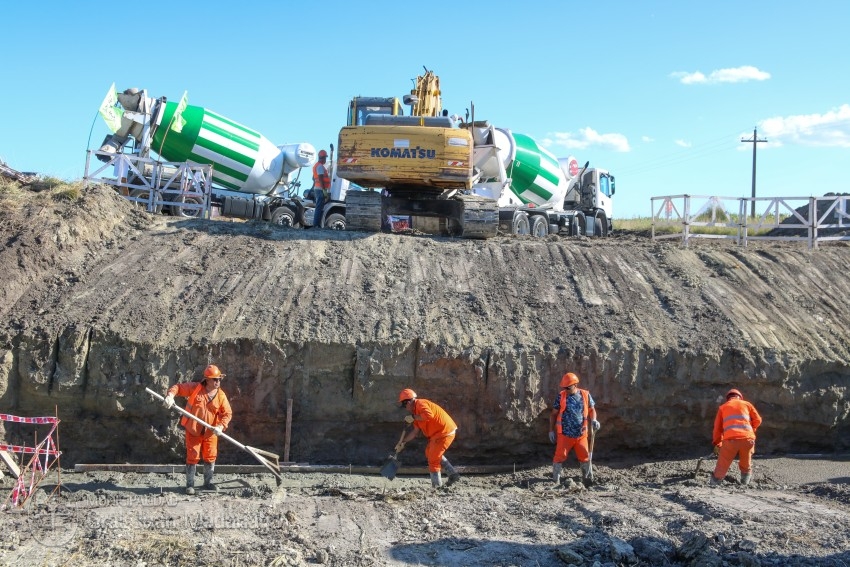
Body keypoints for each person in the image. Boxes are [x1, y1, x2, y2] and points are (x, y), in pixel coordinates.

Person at [163, 364, 233, 494]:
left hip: (210, 432)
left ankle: (208, 483)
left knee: (210, 456)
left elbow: (227, 414)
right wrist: (170, 396)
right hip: (193, 430)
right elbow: (178, 388)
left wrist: (221, 426)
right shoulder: (196, 388)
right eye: (215, 379)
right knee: (192, 457)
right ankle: (190, 485)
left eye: (219, 379)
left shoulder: (221, 396)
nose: (218, 382)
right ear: (207, 379)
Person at [395, 388, 460, 488]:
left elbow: (429, 415)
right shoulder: (415, 413)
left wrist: (413, 417)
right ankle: (453, 474)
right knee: (429, 452)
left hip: (444, 433)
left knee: (433, 459)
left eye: (404, 406)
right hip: (438, 434)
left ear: (408, 402)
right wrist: (403, 442)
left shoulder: (420, 404)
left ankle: (436, 487)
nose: (405, 408)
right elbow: (415, 432)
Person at [549, 372, 600, 487]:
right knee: (559, 456)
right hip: (565, 434)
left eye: (568, 387)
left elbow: (592, 410)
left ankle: (587, 479)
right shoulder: (561, 396)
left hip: (581, 434)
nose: (566, 389)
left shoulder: (585, 395)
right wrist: (551, 430)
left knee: (585, 457)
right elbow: (553, 414)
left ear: (575, 385)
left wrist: (594, 420)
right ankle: (555, 480)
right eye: (564, 388)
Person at [710, 388, 762, 486]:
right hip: (748, 439)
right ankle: (744, 483)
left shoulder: (723, 407)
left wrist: (717, 443)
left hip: (731, 440)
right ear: (740, 397)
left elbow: (717, 429)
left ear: (728, 398)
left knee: (723, 463)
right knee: (746, 462)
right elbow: (758, 420)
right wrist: (751, 430)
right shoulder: (747, 404)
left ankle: (714, 483)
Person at [311, 149, 331, 228]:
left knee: (319, 207)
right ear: (322, 158)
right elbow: (320, 179)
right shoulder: (319, 166)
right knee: (319, 207)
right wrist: (324, 190)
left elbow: (313, 178)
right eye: (325, 158)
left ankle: (317, 224)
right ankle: (316, 225)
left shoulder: (317, 165)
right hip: (320, 189)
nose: (325, 159)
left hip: (317, 188)